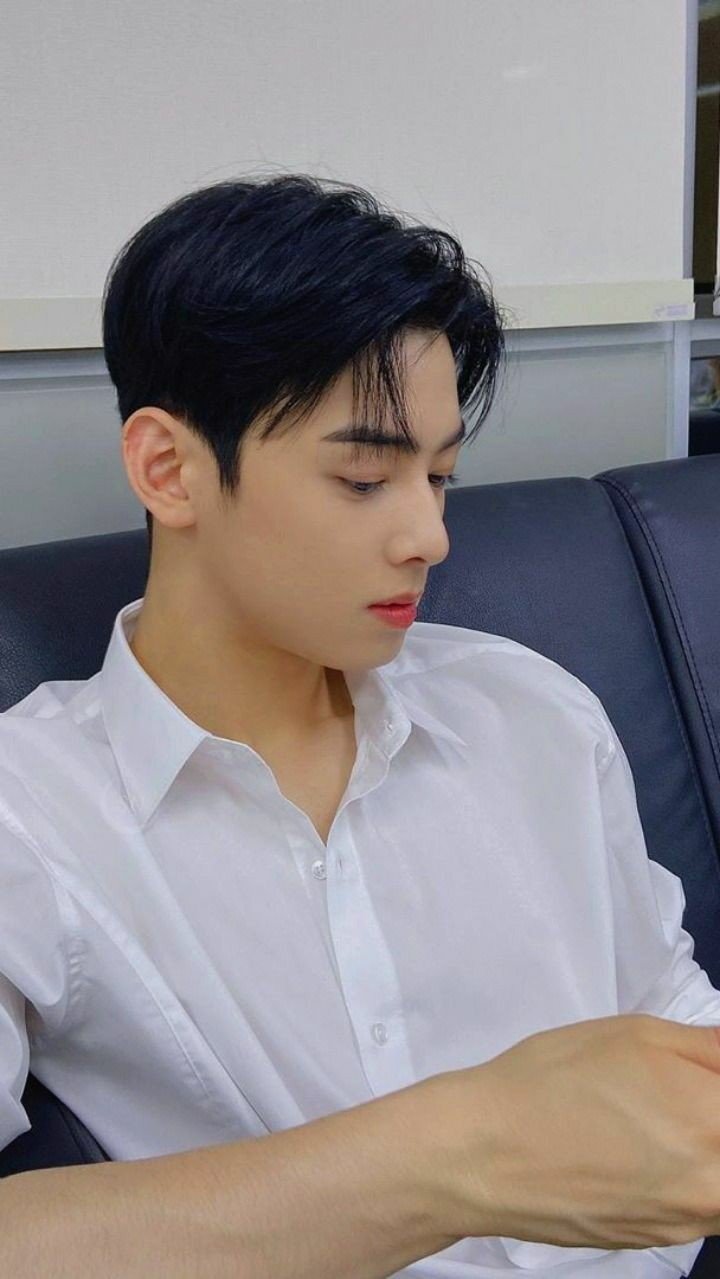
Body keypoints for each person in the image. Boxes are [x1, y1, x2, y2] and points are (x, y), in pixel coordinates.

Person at [3, 173, 720, 1278]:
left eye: (440, 477)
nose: (429, 535)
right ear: (168, 469)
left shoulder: (531, 712)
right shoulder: (34, 810)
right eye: (364, 477)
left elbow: (669, 1011)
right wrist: (455, 1154)